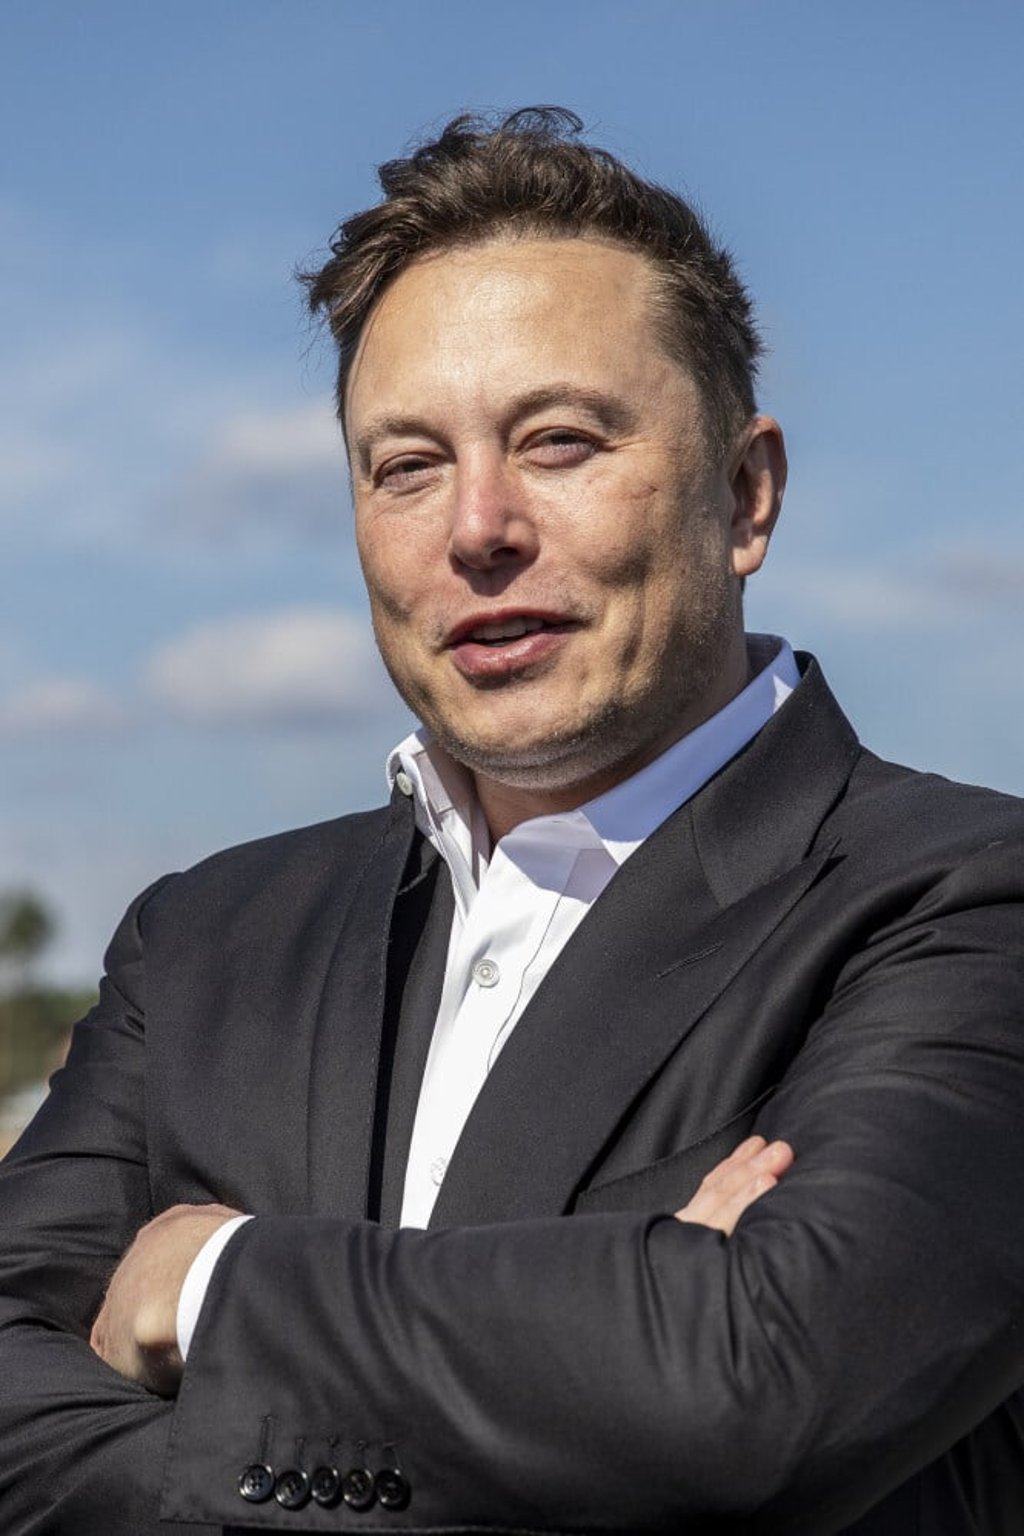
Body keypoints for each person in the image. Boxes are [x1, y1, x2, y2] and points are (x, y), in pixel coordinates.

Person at [1, 107, 1022, 1536]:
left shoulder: (969, 900)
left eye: (557, 441)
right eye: (406, 464)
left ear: (745, 493)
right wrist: (613, 1321)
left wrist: (215, 1283)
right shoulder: (201, 946)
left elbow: (763, 1383)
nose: (476, 526)